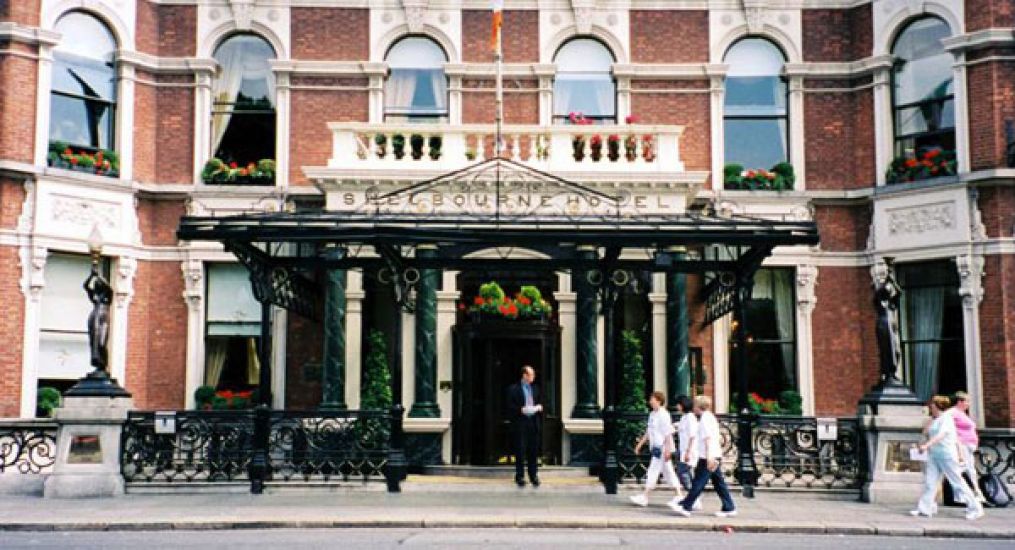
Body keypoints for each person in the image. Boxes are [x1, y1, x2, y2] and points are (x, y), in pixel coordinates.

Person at [911, 395, 984, 520]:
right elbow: (928, 433)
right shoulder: (936, 419)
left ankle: (976, 508)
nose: (930, 407)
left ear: (938, 406)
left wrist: (927, 445)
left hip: (947, 455)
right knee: (930, 482)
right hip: (935, 454)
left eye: (932, 405)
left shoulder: (946, 419)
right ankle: (924, 508)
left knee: (957, 482)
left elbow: (941, 435)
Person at [672, 395, 736, 517]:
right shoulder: (709, 417)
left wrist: (709, 457)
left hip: (708, 456)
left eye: (695, 405)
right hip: (713, 454)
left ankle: (687, 506)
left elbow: (707, 439)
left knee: (698, 482)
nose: (693, 407)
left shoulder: (705, 419)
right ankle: (729, 507)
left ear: (698, 406)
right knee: (718, 482)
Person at [629, 391, 682, 508]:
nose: (650, 401)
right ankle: (679, 495)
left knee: (653, 471)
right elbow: (649, 431)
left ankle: (645, 496)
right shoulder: (652, 414)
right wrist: (640, 444)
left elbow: (667, 433)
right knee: (668, 472)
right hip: (656, 447)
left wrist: (668, 449)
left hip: (662, 447)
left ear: (658, 400)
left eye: (652, 399)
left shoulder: (664, 414)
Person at [506, 365, 542, 487]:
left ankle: (533, 475)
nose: (533, 377)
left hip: (533, 422)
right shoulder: (513, 389)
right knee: (520, 451)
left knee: (533, 451)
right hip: (520, 423)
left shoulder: (536, 388)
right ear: (524, 375)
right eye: (531, 374)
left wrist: (539, 407)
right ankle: (520, 476)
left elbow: (541, 403)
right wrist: (520, 410)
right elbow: (509, 407)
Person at [950, 391, 986, 503]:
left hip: (968, 446)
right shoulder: (953, 413)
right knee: (962, 469)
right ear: (960, 401)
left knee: (970, 470)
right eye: (967, 401)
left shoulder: (962, 413)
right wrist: (957, 445)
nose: (969, 404)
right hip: (962, 445)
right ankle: (964, 494)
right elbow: (951, 429)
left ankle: (974, 492)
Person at [674, 395, 702, 510]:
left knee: (683, 473)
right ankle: (693, 498)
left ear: (682, 405)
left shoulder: (690, 418)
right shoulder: (685, 417)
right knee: (685, 474)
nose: (677, 406)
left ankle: (693, 498)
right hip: (684, 449)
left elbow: (692, 435)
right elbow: (680, 427)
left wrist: (688, 452)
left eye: (678, 404)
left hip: (689, 450)